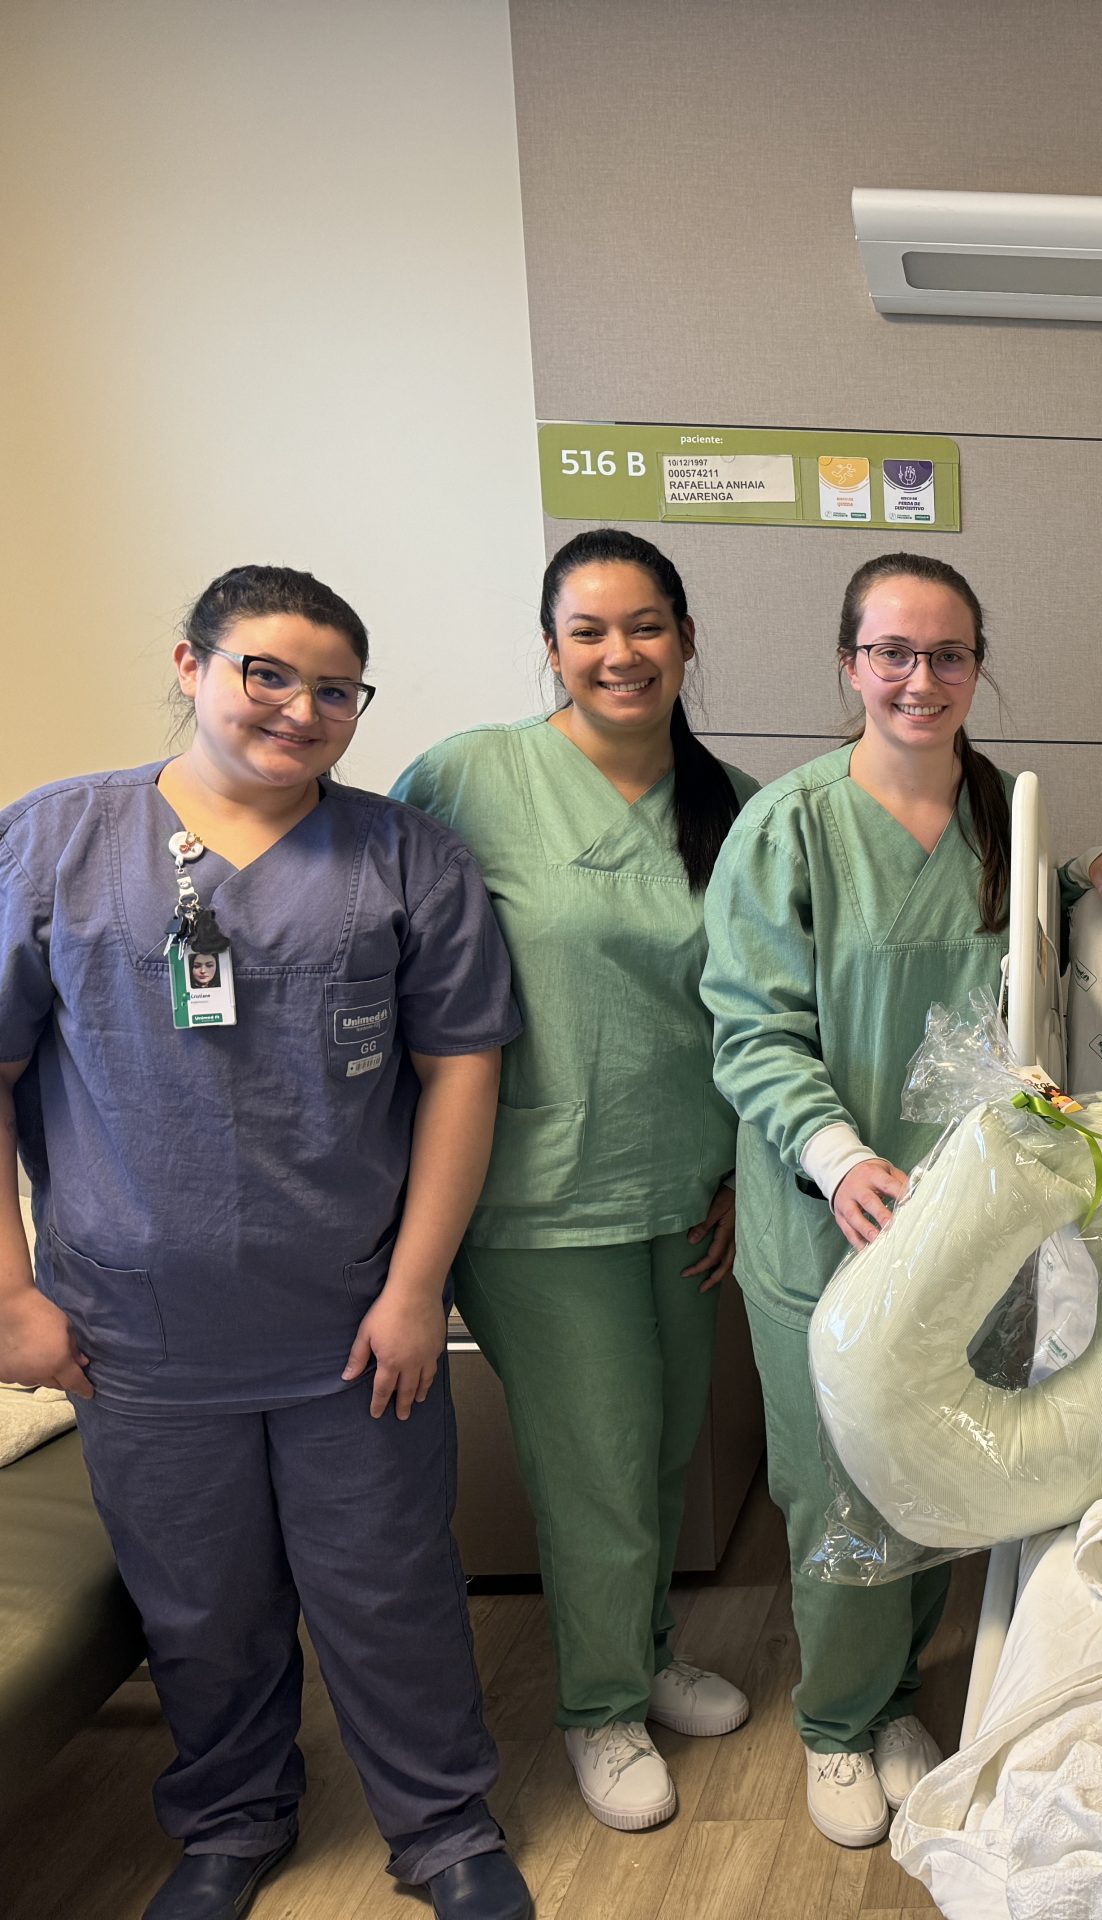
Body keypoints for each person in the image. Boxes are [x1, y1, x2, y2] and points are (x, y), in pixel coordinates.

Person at [0, 567, 532, 1920]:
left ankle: (442, 1826)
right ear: (192, 664)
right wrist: (11, 1289)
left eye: (337, 689)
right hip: (134, 1332)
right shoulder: (55, 845)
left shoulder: (407, 858)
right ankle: (232, 1822)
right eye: (268, 675)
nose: (303, 710)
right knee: (201, 1602)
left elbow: (463, 1073)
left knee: (390, 1584)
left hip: (350, 1322)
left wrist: (419, 1294)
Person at [701, 552, 1102, 1849]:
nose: (918, 678)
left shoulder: (1003, 823)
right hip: (832, 1219)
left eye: (946, 654)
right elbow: (749, 1027)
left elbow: (1032, 955)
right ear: (849, 664)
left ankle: (901, 1696)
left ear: (977, 666)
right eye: (891, 653)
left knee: (947, 1458)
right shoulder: (789, 827)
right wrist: (839, 1156)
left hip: (983, 1225)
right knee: (842, 1484)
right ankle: (839, 1726)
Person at [392, 529, 758, 1833]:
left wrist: (738, 1177)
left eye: (647, 625)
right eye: (591, 629)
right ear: (551, 646)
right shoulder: (469, 777)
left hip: (686, 1182)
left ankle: (646, 1653)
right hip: (536, 1191)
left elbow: (760, 1007)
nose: (621, 652)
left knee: (662, 1456)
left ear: (687, 640)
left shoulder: (733, 804)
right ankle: (599, 1708)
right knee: (594, 1463)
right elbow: (370, 937)